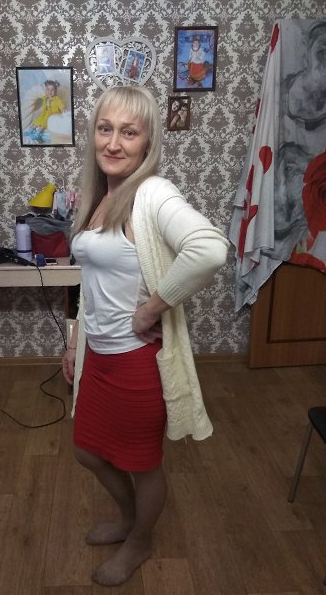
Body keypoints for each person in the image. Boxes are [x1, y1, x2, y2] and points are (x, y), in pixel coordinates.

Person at [61, 85, 228, 587]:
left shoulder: (153, 192)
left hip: (136, 363)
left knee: (141, 463)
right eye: (105, 129)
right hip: (98, 356)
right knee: (87, 451)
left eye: (129, 133)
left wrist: (153, 307)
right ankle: (132, 519)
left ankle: (139, 540)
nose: (113, 143)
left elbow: (209, 249)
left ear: (148, 142)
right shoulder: (100, 195)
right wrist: (74, 340)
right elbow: (92, 281)